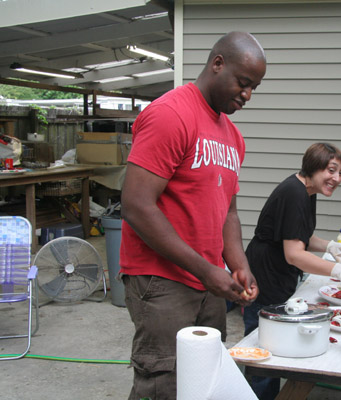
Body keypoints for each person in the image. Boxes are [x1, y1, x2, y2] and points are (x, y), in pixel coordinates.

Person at [119, 31, 266, 400]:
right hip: (162, 280)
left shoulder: (233, 136)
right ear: (217, 63)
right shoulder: (171, 114)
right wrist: (206, 270)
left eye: (254, 88)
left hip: (208, 280)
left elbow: (227, 210)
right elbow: (136, 205)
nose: (247, 95)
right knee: (164, 385)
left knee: (203, 381)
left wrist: (237, 263)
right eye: (243, 83)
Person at [243, 142, 341, 399]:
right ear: (313, 166)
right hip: (265, 278)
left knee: (273, 355)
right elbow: (294, 254)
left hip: (277, 277)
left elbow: (300, 235)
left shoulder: (306, 190)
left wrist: (330, 246)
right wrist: (339, 270)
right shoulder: (295, 193)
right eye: (332, 170)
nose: (337, 178)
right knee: (265, 359)